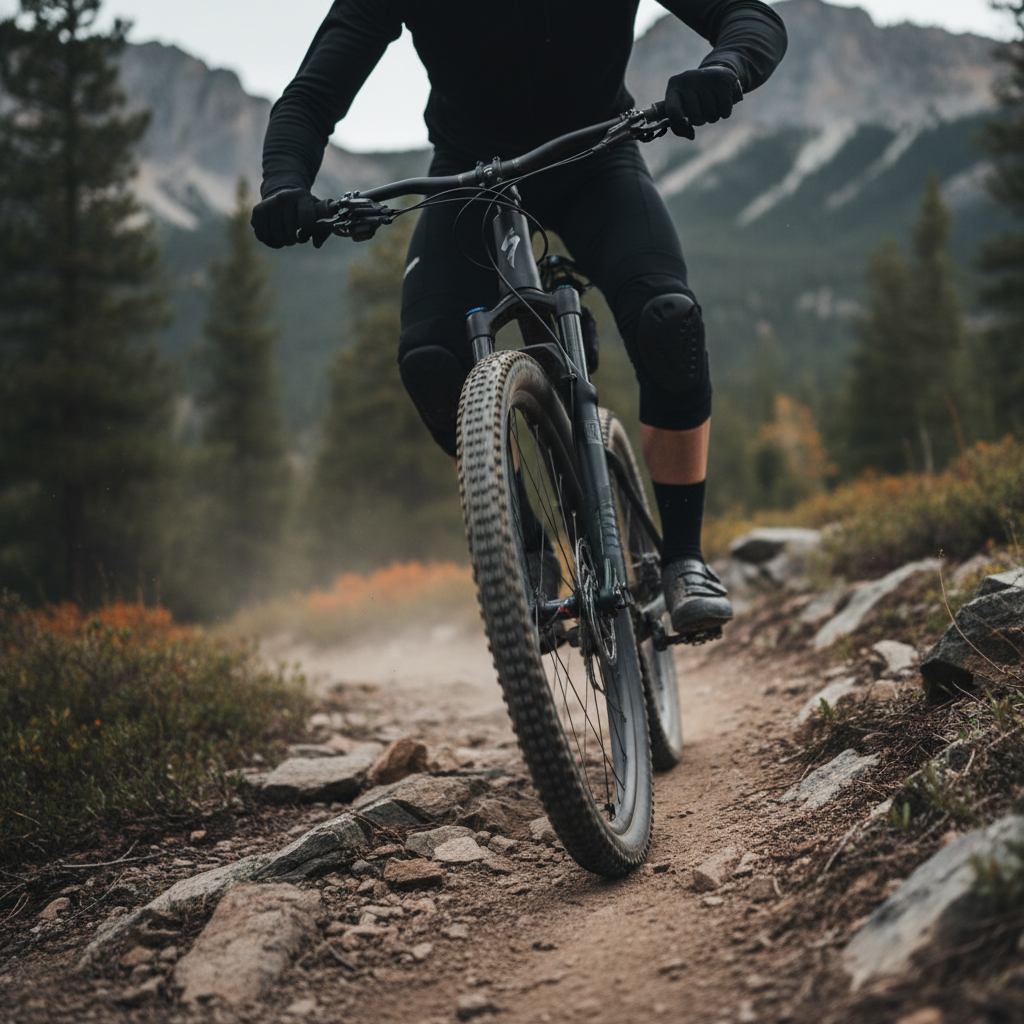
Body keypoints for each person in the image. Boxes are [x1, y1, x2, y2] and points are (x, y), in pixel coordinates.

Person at [251, 0, 787, 636]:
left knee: (669, 322)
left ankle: (685, 559)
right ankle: (523, 540)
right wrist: (285, 183)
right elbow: (313, 95)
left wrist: (726, 66)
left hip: (598, 161)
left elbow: (749, 17)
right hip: (469, 178)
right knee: (430, 358)